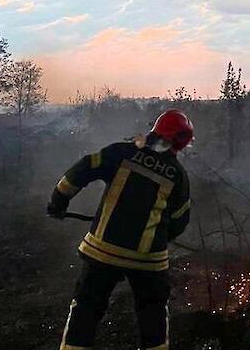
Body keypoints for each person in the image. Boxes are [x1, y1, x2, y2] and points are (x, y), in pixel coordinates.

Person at [47, 109, 194, 350]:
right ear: (181, 143)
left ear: (155, 131)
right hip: (149, 260)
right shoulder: (178, 175)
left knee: (86, 308)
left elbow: (82, 170)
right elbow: (179, 220)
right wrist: (157, 237)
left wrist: (58, 202)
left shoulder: (122, 153)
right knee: (153, 315)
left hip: (104, 251)